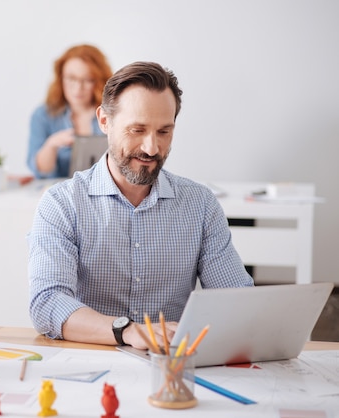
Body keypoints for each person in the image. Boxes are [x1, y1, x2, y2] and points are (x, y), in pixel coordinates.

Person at [27, 61, 254, 349]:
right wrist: (128, 331)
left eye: (164, 132)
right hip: (89, 362)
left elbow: (235, 299)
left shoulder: (201, 205)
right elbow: (47, 305)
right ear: (104, 121)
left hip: (171, 370)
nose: (151, 148)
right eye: (137, 130)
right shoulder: (61, 204)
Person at [27, 44, 113, 179]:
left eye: (88, 80)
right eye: (71, 78)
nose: (78, 88)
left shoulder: (112, 113)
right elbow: (40, 171)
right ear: (60, 78)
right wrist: (51, 145)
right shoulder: (43, 115)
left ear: (99, 81)